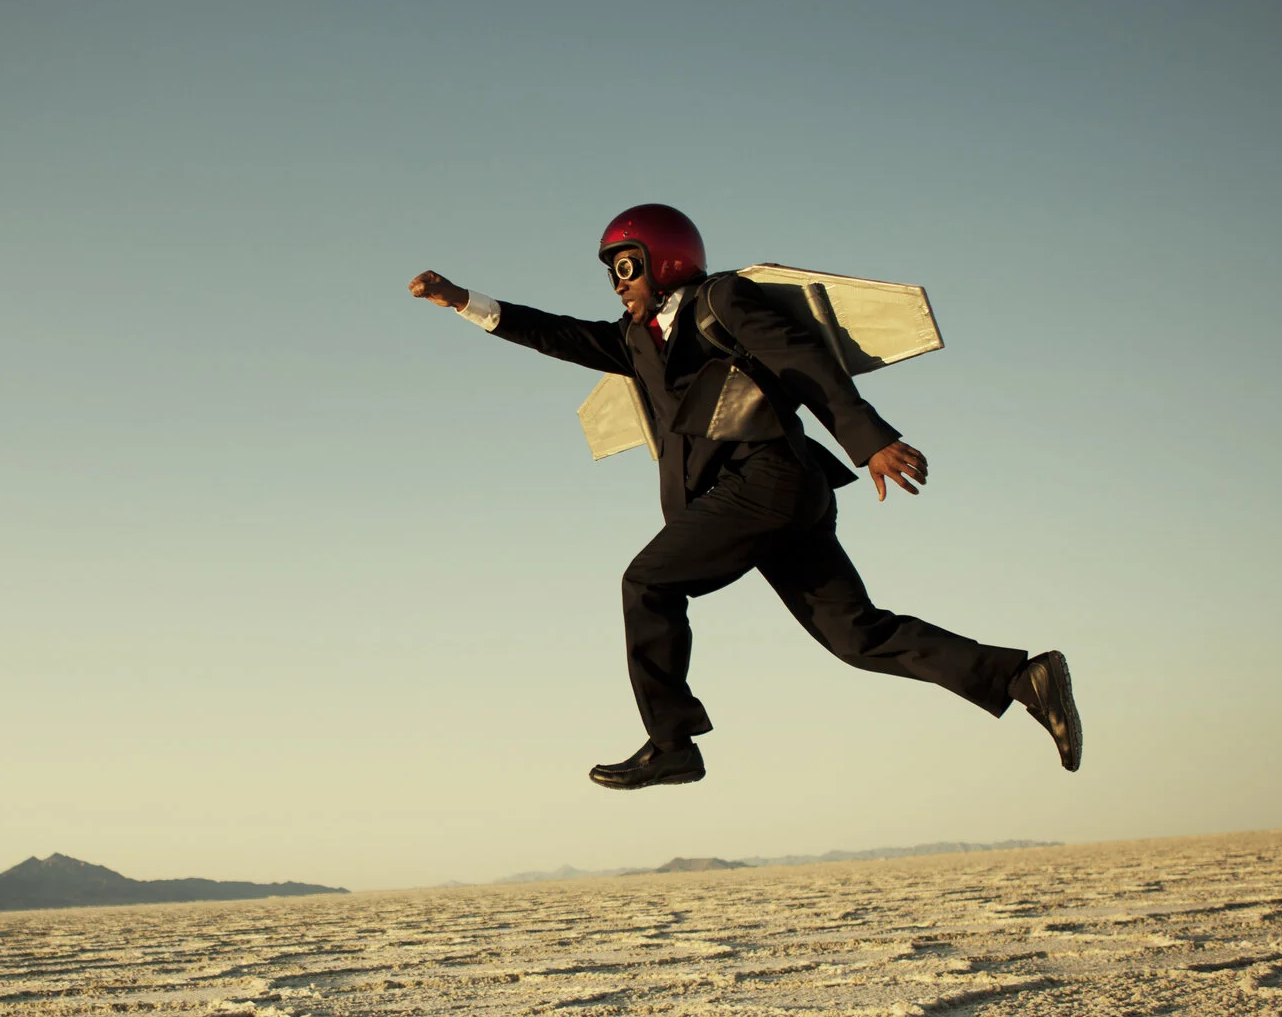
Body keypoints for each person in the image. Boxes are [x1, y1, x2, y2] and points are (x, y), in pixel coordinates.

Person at [409, 203, 1081, 790]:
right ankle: (1024, 677)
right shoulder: (633, 342)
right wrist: (463, 300)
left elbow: (803, 359)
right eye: (610, 271)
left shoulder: (721, 300)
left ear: (665, 260)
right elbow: (551, 331)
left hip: (768, 478)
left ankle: (673, 743)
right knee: (856, 635)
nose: (618, 284)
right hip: (770, 503)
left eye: (627, 266)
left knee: (646, 582)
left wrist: (867, 438)